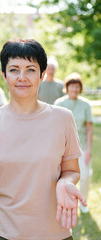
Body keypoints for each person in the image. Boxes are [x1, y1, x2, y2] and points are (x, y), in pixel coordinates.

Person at [0, 39, 87, 240]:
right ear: (4, 75)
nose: (22, 77)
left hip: (53, 232)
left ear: (42, 75)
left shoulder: (63, 118)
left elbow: (72, 170)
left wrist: (65, 182)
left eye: (30, 69)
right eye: (14, 70)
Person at [55, 72, 93, 213]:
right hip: (62, 148)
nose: (74, 89)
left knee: (85, 175)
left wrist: (88, 150)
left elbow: (89, 128)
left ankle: (83, 203)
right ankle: (63, 201)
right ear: (67, 87)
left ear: (80, 89)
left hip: (81, 147)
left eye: (77, 87)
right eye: (72, 86)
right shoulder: (59, 103)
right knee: (62, 178)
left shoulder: (86, 105)